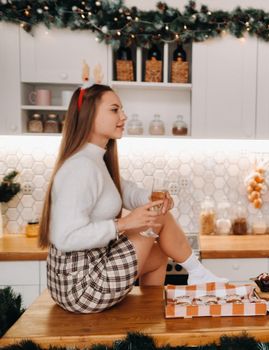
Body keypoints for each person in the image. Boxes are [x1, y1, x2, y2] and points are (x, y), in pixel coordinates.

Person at [38, 84, 226, 314]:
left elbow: (123, 191)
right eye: (115, 110)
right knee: (157, 218)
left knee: (157, 256)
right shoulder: (80, 167)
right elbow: (65, 238)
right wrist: (125, 224)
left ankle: (151, 311)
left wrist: (150, 198)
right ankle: (198, 274)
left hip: (84, 275)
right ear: (89, 116)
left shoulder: (96, 159)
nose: (123, 116)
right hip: (80, 286)